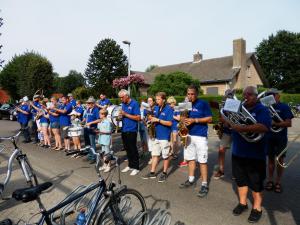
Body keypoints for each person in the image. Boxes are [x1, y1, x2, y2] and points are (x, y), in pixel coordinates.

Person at [229, 86, 271, 223]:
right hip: (238, 152)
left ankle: (257, 208)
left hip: (255, 154)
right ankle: (243, 203)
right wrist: (226, 122)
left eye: (249, 94)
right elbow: (231, 123)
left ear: (255, 96)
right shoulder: (239, 108)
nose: (245, 96)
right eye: (244, 94)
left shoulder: (262, 109)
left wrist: (243, 128)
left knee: (256, 183)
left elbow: (264, 127)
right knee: (240, 180)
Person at [179, 84, 212, 198]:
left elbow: (210, 118)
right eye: (188, 94)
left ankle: (204, 184)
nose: (190, 96)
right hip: (188, 135)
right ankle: (191, 179)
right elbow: (181, 119)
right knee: (190, 159)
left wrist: (195, 120)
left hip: (200, 136)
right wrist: (183, 119)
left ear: (197, 94)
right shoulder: (185, 104)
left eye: (192, 94)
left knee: (202, 161)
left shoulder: (203, 103)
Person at [264, 88, 293, 193]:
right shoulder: (265, 108)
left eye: (272, 95)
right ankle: (270, 180)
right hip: (269, 137)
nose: (270, 97)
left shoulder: (284, 107)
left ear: (278, 96)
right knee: (270, 160)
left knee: (280, 161)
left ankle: (278, 182)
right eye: (269, 95)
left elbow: (288, 123)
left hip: (281, 138)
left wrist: (275, 124)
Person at [142, 92, 173, 182]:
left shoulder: (169, 109)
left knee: (165, 156)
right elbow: (152, 118)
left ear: (164, 100)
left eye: (159, 99)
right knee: (154, 154)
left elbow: (170, 123)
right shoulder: (155, 108)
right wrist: (150, 119)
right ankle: (152, 173)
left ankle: (164, 173)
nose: (157, 101)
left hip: (164, 136)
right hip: (156, 135)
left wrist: (158, 120)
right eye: (156, 99)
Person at [118, 89, 141, 176]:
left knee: (133, 149)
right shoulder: (123, 104)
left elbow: (138, 118)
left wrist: (125, 114)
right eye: (120, 97)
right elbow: (123, 115)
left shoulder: (134, 104)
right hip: (124, 129)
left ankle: (136, 167)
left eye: (122, 97)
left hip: (132, 130)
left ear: (127, 96)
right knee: (127, 149)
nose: (121, 99)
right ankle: (130, 165)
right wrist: (120, 116)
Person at [213, 90, 234, 179]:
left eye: (230, 95)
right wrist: (220, 122)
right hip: (226, 131)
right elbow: (220, 118)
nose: (228, 97)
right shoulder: (223, 106)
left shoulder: (237, 105)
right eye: (227, 95)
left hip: (237, 131)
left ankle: (237, 172)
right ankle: (221, 170)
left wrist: (227, 121)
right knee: (221, 150)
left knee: (237, 153)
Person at [83, 97, 100, 164]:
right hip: (86, 128)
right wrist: (82, 121)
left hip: (92, 128)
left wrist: (91, 123)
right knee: (87, 143)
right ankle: (90, 155)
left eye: (89, 103)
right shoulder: (88, 109)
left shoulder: (96, 110)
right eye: (87, 103)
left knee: (92, 143)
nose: (88, 104)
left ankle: (94, 157)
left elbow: (99, 119)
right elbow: (85, 118)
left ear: (93, 103)